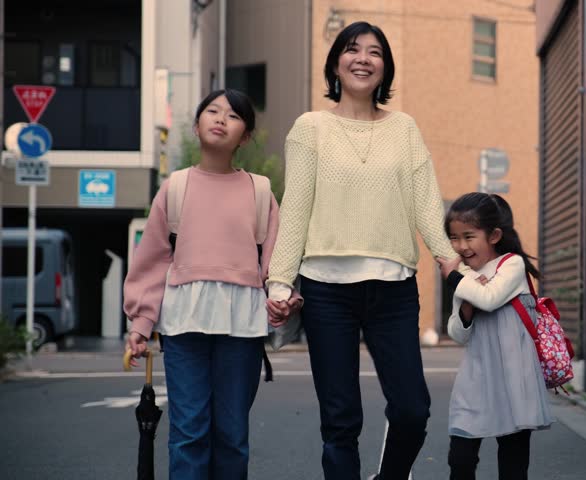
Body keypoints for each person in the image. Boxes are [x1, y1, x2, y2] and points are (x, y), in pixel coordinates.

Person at [265, 21, 459, 480]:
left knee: (412, 409)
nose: (363, 59)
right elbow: (296, 206)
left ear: (385, 68)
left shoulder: (404, 128)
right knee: (340, 421)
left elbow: (425, 202)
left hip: (393, 289)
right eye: (353, 49)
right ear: (336, 63)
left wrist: (450, 260)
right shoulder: (310, 128)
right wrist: (279, 281)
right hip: (326, 291)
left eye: (375, 52)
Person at [123, 89, 293, 479]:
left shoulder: (260, 190)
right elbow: (152, 261)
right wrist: (140, 324)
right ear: (197, 126)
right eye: (212, 111)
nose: (220, 119)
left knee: (232, 435)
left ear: (245, 136)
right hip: (183, 326)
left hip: (242, 325)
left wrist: (284, 297)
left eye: (233, 115)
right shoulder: (175, 187)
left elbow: (276, 263)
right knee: (189, 433)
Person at [436, 192, 554, 480]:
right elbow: (458, 334)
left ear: (494, 235)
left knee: (513, 463)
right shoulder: (466, 276)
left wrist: (454, 278)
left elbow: (489, 298)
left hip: (514, 379)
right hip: (476, 379)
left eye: (469, 236)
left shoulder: (511, 265)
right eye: (454, 238)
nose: (461, 246)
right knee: (460, 459)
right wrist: (466, 306)